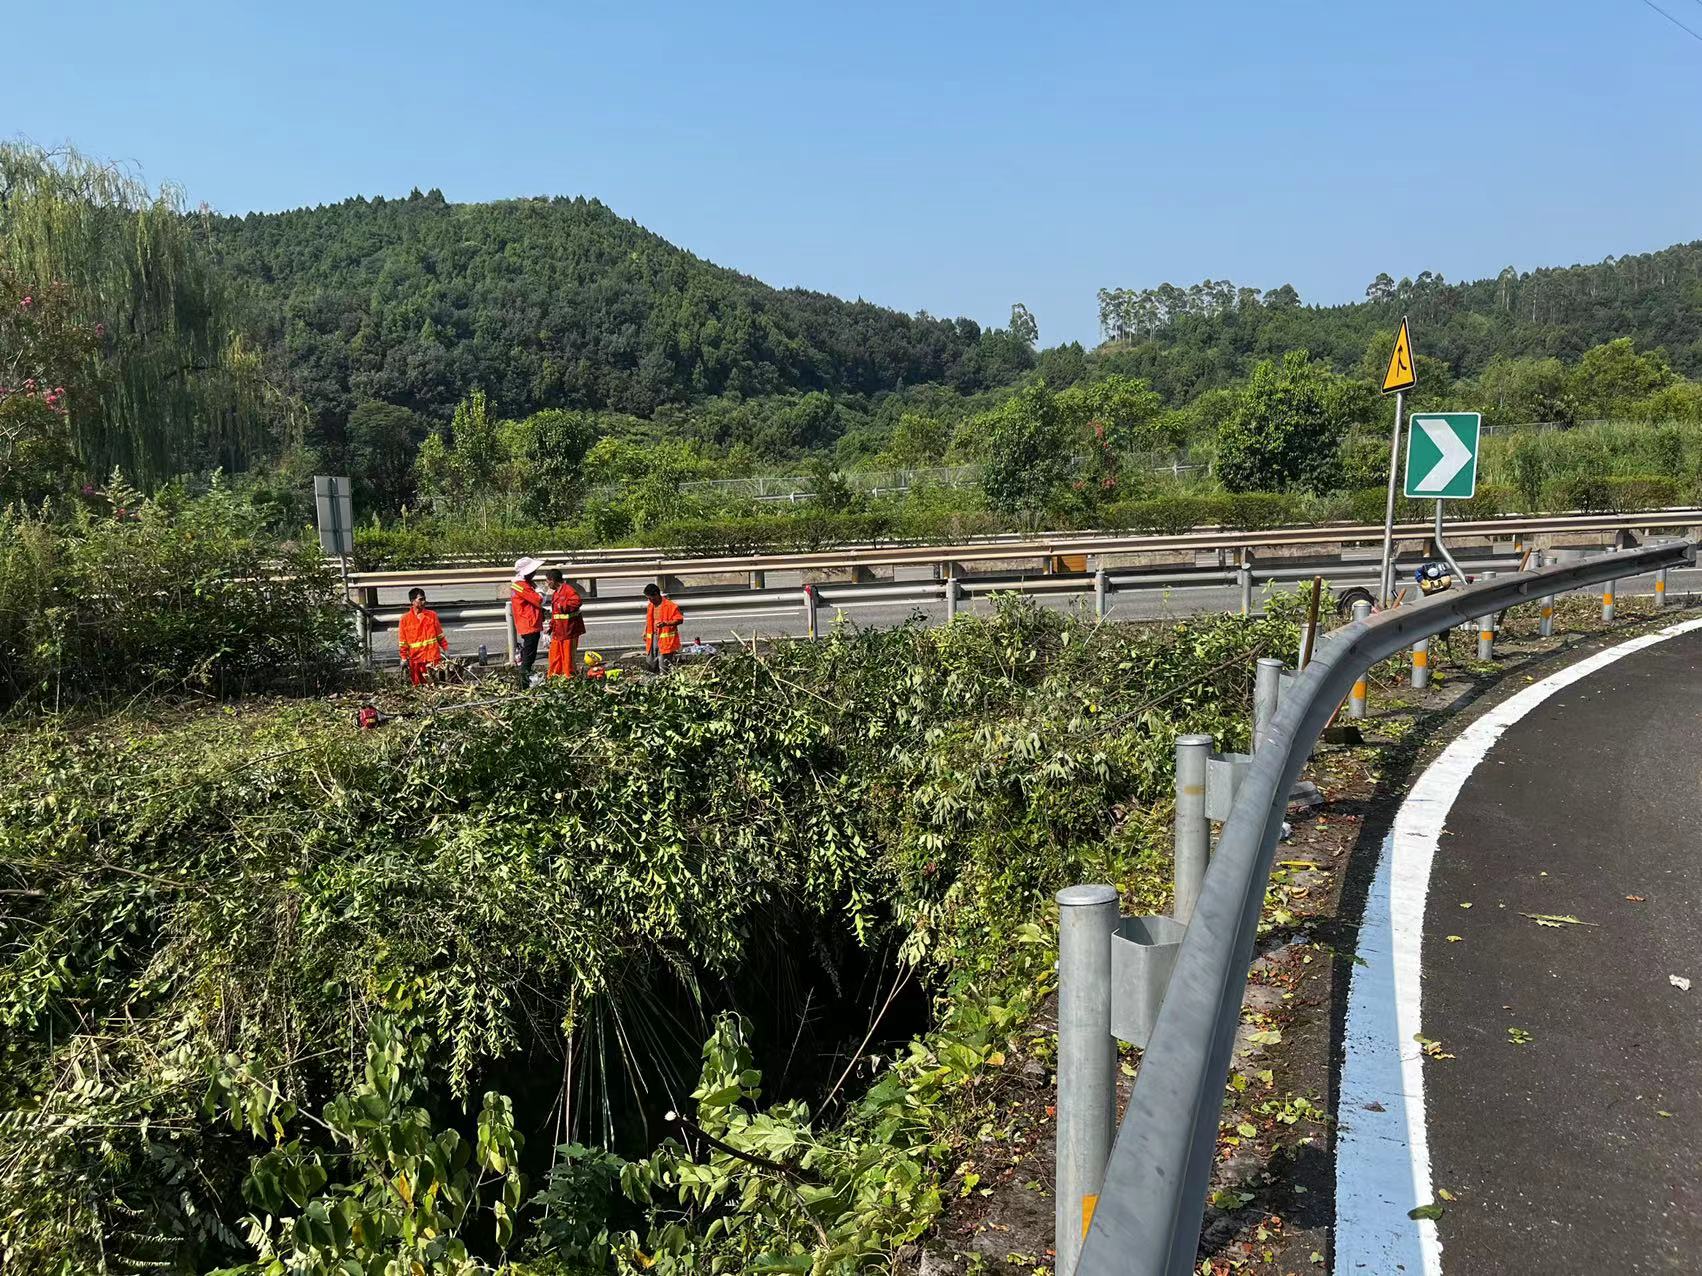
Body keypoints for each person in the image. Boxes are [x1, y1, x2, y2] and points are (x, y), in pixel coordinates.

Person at [397, 588, 448, 685]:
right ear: (412, 601)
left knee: (436, 686)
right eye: (420, 599)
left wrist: (446, 650)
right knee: (418, 687)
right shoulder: (405, 619)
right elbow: (403, 641)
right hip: (416, 660)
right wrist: (403, 658)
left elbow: (440, 635)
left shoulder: (432, 615)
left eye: (424, 599)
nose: (424, 602)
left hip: (433, 659)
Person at [545, 568, 586, 679]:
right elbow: (555, 613)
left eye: (547, 581)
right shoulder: (555, 594)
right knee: (555, 655)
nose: (547, 584)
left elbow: (577, 602)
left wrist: (562, 605)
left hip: (569, 630)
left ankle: (569, 676)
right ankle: (554, 675)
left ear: (552, 580)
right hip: (558, 630)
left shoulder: (568, 590)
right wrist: (551, 626)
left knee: (568, 656)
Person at [510, 557, 545, 685]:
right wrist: (540, 591)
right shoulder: (520, 586)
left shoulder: (526, 584)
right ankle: (524, 683)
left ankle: (525, 680)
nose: (535, 573)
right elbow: (538, 599)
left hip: (531, 623)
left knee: (530, 654)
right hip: (528, 624)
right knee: (528, 657)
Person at [642, 582, 684, 673]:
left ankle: (664, 682)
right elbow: (649, 620)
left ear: (656, 594)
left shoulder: (671, 606)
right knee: (650, 663)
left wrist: (666, 623)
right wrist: (645, 631)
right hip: (653, 639)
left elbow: (679, 620)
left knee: (663, 665)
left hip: (666, 641)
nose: (649, 600)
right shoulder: (651, 606)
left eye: (650, 598)